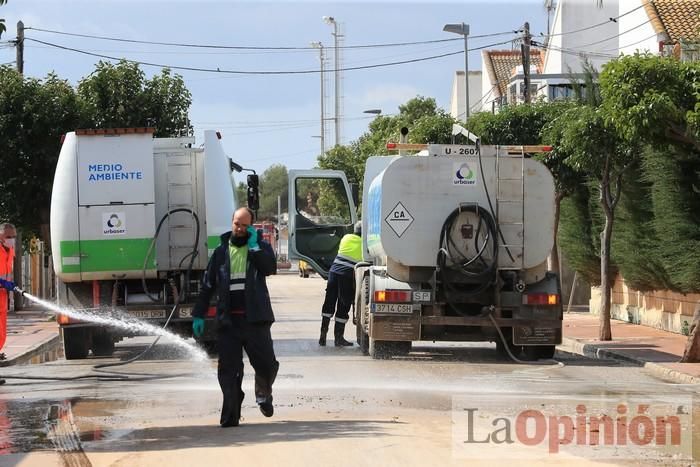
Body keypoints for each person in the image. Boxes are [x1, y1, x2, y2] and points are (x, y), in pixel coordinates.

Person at [192, 207, 279, 427]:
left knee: (267, 365)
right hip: (228, 322)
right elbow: (207, 285)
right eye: (236, 224)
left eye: (244, 225)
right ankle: (231, 411)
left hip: (255, 320)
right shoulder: (221, 252)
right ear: (231, 223)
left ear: (251, 226)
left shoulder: (260, 247)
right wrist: (199, 315)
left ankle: (263, 394)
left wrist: (254, 247)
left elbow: (269, 268)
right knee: (228, 372)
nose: (239, 228)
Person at [319, 221, 362, 347]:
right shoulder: (364, 243)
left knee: (329, 302)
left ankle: (322, 335)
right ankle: (338, 338)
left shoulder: (345, 238)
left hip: (333, 272)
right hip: (346, 275)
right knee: (343, 304)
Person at [0, 223, 16, 384]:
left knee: (1, 335)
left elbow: (8, 273)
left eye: (13, 237)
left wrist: (10, 284)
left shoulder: (10, 251)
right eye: (8, 237)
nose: (11, 240)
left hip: (3, 298)